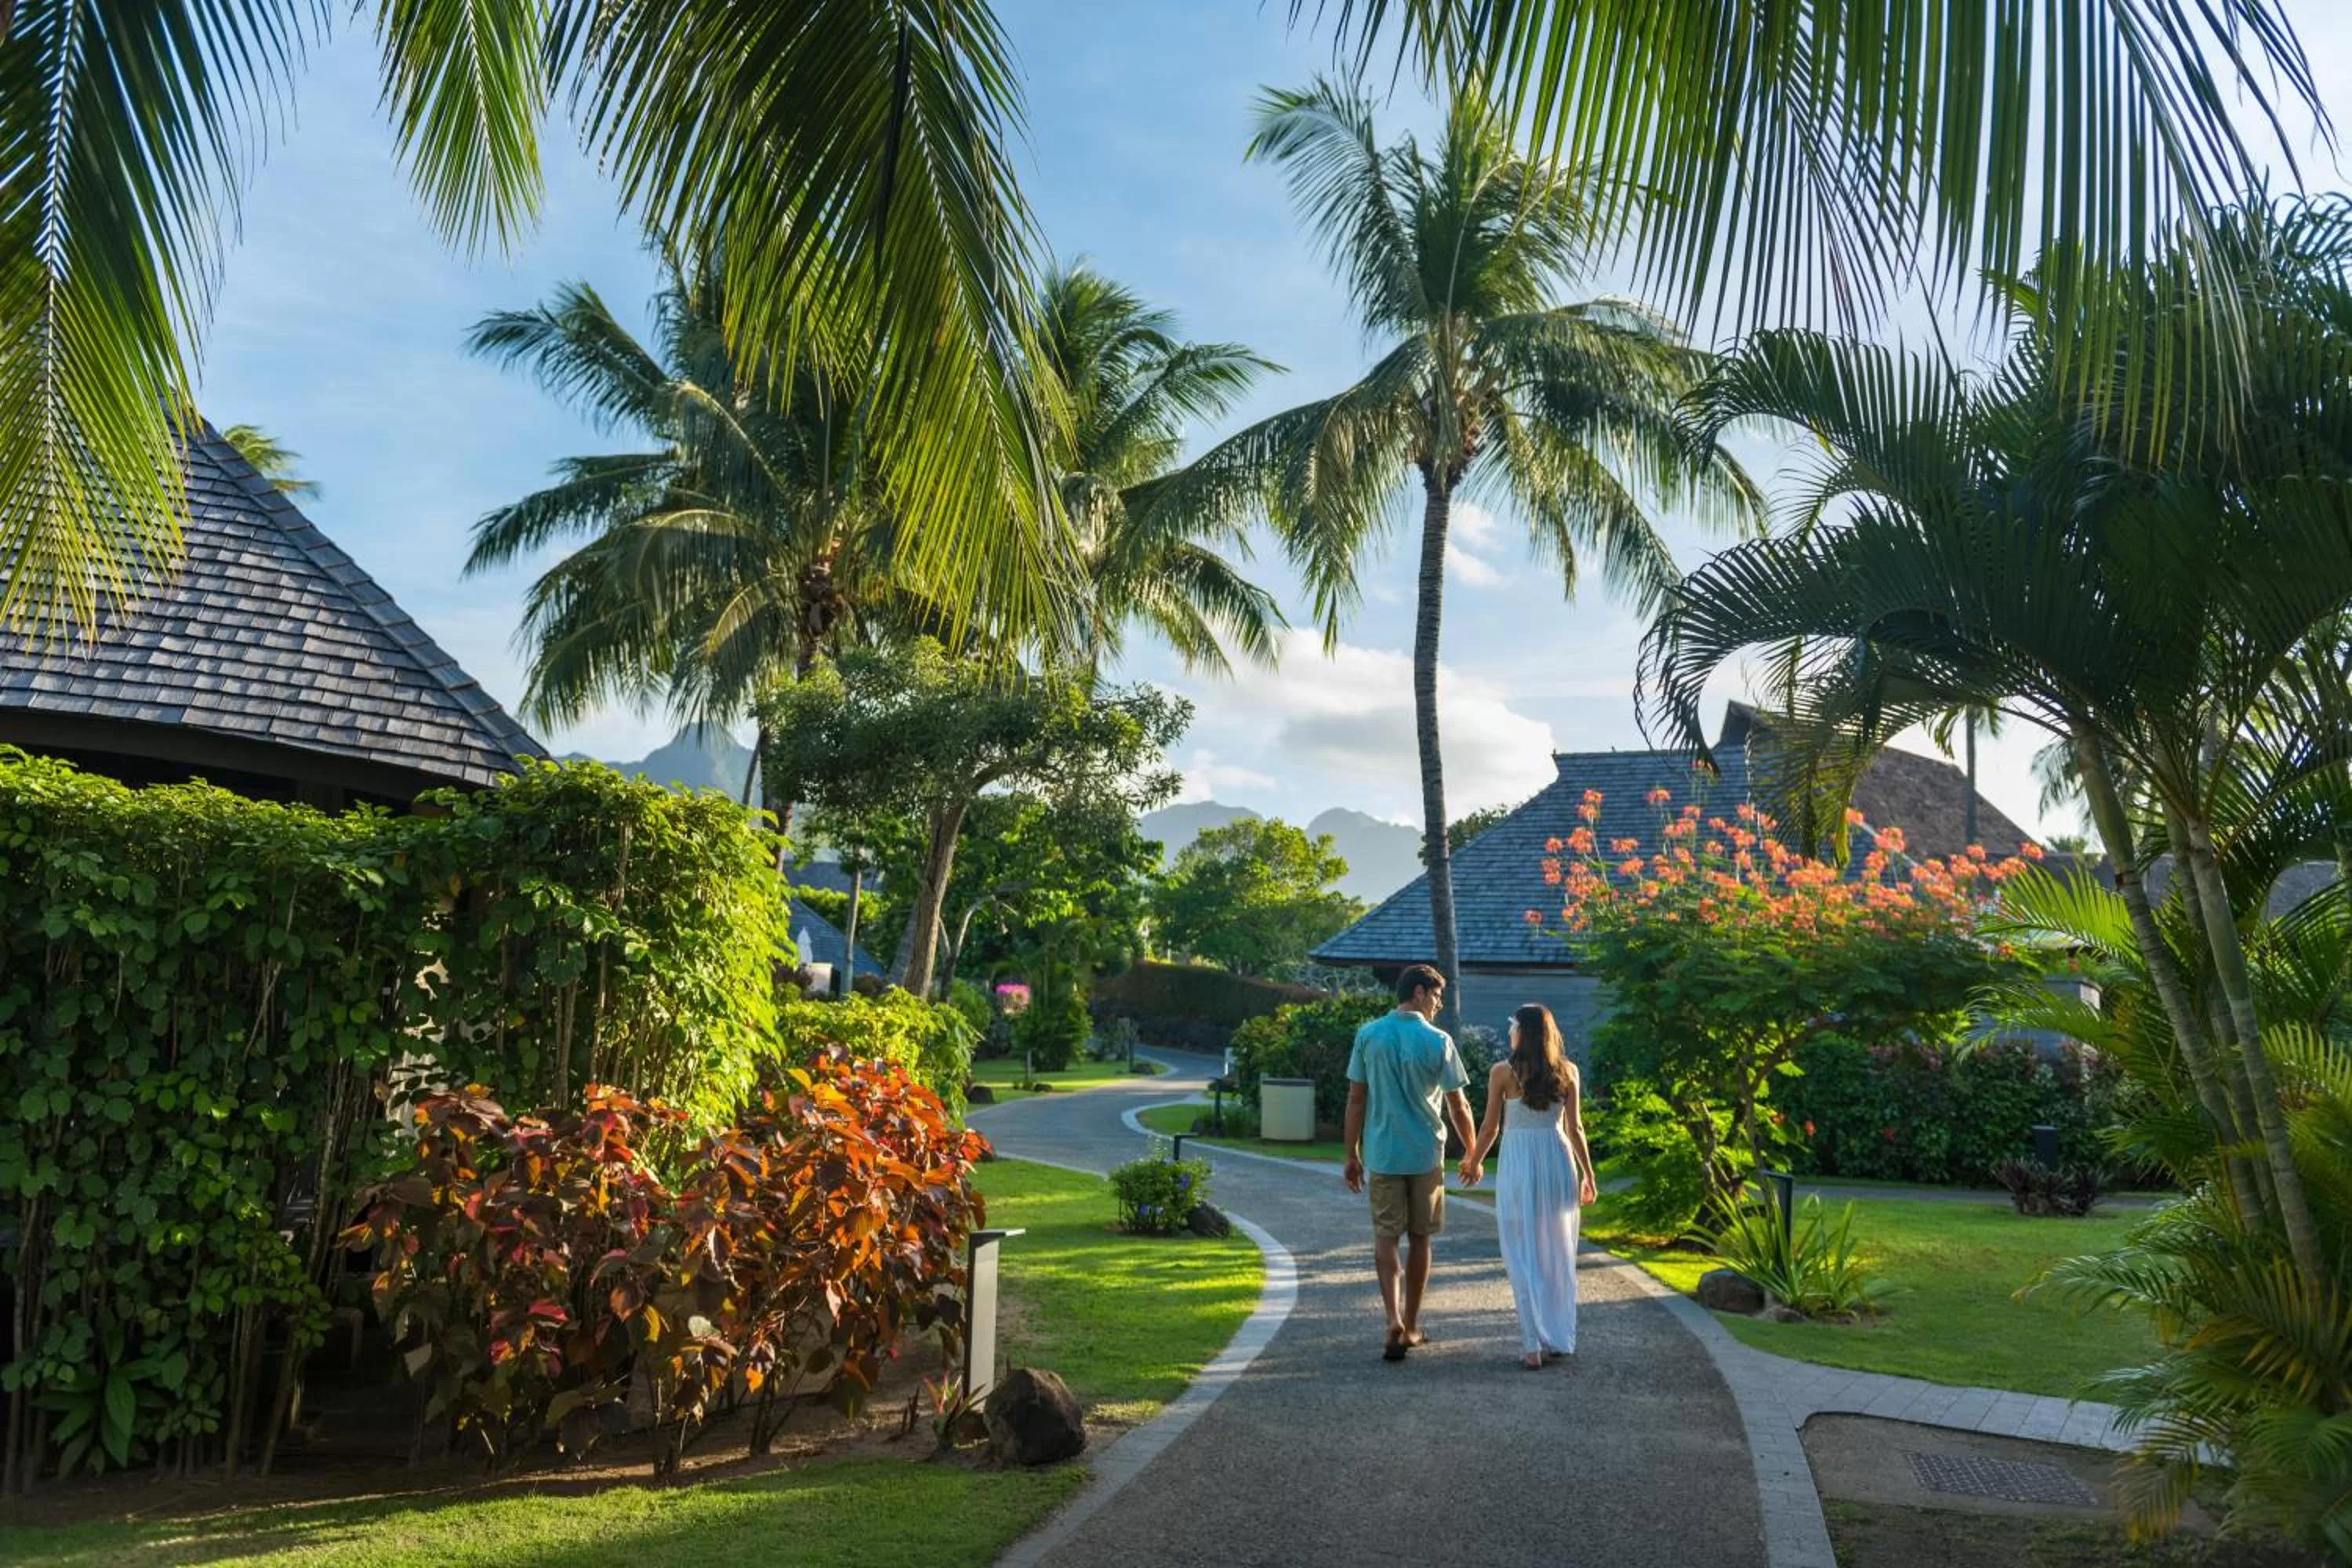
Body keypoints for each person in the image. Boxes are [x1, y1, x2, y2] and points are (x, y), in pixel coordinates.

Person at [1343, 964, 1474, 1363]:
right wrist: (1472, 1151)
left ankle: (1392, 1319)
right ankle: (1412, 1325)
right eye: (1436, 996)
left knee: (1385, 1237)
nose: (1438, 1005)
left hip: (1383, 1153)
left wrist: (1351, 1154)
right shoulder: (1438, 1040)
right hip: (1425, 1155)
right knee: (1420, 1238)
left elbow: (1356, 1099)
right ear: (1419, 992)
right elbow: (1458, 1104)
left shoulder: (1369, 1035)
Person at [1458, 1003, 1598, 1368]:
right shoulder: (1568, 1071)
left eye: (1513, 1027)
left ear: (1522, 1032)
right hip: (1557, 1160)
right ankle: (1556, 1336)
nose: (1510, 1033)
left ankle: (1532, 1343)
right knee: (1556, 1251)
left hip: (1519, 1162)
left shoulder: (1502, 1072)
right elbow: (1575, 1129)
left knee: (1521, 1250)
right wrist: (1589, 1173)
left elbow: (1490, 1127)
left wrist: (1474, 1162)